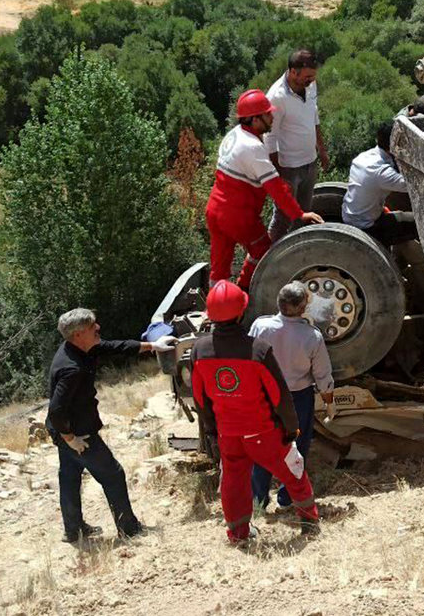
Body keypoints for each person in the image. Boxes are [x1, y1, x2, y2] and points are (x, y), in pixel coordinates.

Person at [191, 280, 320, 543]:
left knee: (234, 483)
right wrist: (290, 427)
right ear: (241, 312)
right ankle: (308, 521)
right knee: (293, 471)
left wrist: (212, 430)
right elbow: (279, 394)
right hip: (263, 431)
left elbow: (199, 397)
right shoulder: (257, 349)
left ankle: (238, 532)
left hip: (229, 433)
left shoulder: (199, 349)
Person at [47, 308, 179, 543]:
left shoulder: (80, 348)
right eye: (92, 327)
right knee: (113, 475)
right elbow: (56, 410)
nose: (98, 328)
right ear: (78, 334)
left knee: (69, 477)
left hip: (66, 431)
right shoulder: (71, 368)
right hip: (79, 434)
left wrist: (153, 346)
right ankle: (129, 529)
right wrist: (70, 439)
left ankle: (73, 530)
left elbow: (116, 347)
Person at [207, 89, 323, 289]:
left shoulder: (234, 135)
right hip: (238, 215)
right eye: (267, 114)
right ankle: (245, 292)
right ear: (254, 119)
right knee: (262, 253)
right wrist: (299, 214)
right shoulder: (252, 146)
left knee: (219, 267)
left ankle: (218, 307)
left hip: (215, 210)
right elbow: (276, 189)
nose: (272, 116)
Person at [248, 281, 334, 510]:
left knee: (262, 445)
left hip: (265, 397)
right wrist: (329, 401)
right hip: (298, 399)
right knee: (297, 447)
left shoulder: (260, 327)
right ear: (302, 306)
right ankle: (287, 498)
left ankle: (258, 499)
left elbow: (249, 360)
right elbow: (322, 373)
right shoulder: (311, 336)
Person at [266, 49, 330, 241]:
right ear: (293, 72)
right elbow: (270, 137)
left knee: (304, 212)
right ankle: (266, 259)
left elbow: (314, 115)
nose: (311, 80)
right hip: (288, 168)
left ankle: (298, 250)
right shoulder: (276, 97)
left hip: (310, 161)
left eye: (313, 76)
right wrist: (278, 174)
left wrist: (322, 149)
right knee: (283, 216)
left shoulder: (310, 86)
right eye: (307, 76)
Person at [341, 120, 418, 246]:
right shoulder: (382, 173)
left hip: (351, 217)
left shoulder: (363, 157)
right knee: (419, 223)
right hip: (368, 227)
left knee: (401, 216)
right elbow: (415, 187)